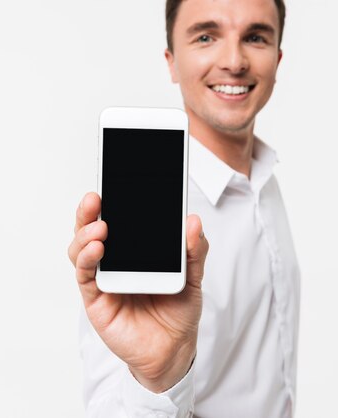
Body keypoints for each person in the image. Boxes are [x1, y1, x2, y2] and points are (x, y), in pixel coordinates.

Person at [67, 0, 300, 416]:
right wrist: (157, 378)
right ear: (172, 62)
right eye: (206, 36)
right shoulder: (142, 220)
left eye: (255, 37)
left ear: (278, 59)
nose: (234, 60)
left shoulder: (265, 181)